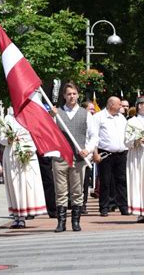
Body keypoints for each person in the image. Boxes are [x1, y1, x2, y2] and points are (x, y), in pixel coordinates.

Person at [51, 82, 97, 232]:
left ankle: (76, 221)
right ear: (64, 96)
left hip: (78, 158)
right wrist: (51, 115)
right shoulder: (57, 113)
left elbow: (94, 136)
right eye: (69, 94)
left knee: (77, 191)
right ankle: (61, 222)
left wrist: (88, 149)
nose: (72, 97)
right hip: (60, 157)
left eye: (74, 94)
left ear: (78, 95)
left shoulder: (86, 114)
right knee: (61, 190)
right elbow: (49, 133)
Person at [0, 113, 47, 228]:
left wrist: (30, 150)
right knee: (14, 184)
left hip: (27, 153)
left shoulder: (30, 115)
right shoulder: (7, 118)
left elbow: (37, 136)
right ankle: (16, 216)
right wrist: (8, 139)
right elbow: (1, 138)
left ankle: (24, 214)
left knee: (25, 184)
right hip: (11, 155)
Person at [93, 96, 129, 217]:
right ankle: (104, 207)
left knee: (122, 181)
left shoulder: (121, 118)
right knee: (105, 181)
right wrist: (95, 153)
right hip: (105, 154)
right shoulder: (99, 117)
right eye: (119, 104)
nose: (121, 107)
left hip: (121, 153)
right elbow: (94, 137)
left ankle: (123, 206)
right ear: (111, 105)